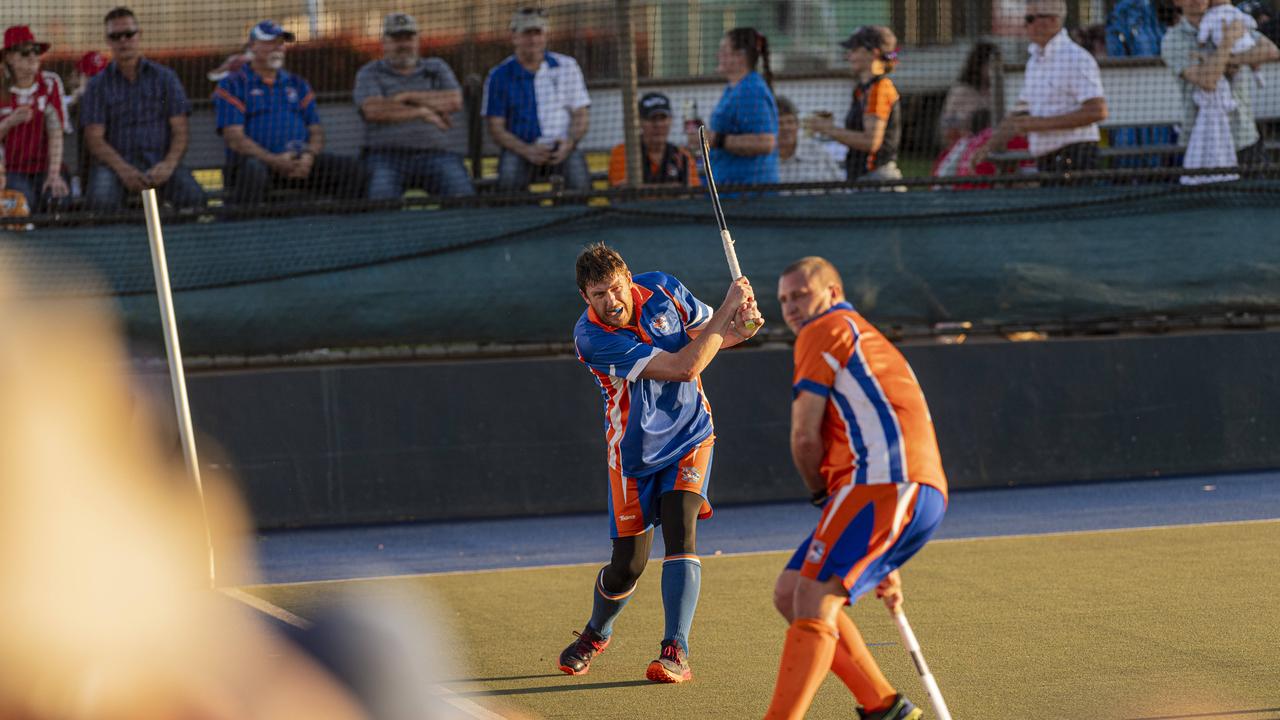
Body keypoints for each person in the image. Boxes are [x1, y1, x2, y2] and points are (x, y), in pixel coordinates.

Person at [559, 242, 763, 684]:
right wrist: (731, 307)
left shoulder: (664, 290)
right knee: (627, 565)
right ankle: (597, 631)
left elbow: (705, 335)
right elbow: (685, 367)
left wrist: (739, 328)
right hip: (633, 453)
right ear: (585, 298)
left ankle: (676, 650)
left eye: (615, 289)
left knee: (681, 526)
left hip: (691, 433)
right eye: (598, 295)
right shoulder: (591, 338)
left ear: (628, 278)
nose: (610, 302)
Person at [762, 256, 948, 720]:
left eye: (801, 294)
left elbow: (804, 436)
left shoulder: (823, 329)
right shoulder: (862, 335)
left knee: (814, 597)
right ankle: (884, 707)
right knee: (790, 592)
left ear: (833, 291)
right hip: (898, 487)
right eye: (783, 299)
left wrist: (824, 498)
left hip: (886, 482)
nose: (791, 307)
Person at [214, 20, 365, 205]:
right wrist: (274, 160)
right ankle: (250, 229)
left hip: (299, 162)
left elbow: (316, 131)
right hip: (256, 165)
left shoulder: (297, 83)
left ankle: (337, 226)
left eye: (281, 43)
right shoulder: (232, 84)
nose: (278, 48)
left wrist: (309, 156)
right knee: (254, 170)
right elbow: (234, 138)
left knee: (353, 170)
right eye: (270, 42)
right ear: (252, 46)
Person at [80, 7, 204, 212]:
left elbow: (181, 130)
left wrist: (168, 165)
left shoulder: (165, 77)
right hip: (115, 167)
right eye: (116, 36)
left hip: (160, 162)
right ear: (108, 41)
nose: (123, 41)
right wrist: (123, 169)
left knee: (194, 198)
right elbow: (94, 138)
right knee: (101, 201)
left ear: (140, 35)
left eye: (129, 34)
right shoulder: (97, 85)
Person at [972, 0, 1109, 175]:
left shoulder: (1076, 58)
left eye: (1030, 18)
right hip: (1049, 160)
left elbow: (1098, 111)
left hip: (1075, 157)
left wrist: (1038, 124)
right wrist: (987, 148)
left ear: (1052, 20)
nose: (1025, 24)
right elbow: (1020, 112)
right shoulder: (1035, 61)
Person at [354, 12, 474, 200]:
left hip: (437, 154)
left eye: (408, 38)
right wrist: (423, 111)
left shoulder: (436, 68)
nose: (403, 45)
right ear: (384, 42)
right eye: (396, 39)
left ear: (417, 40)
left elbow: (453, 101)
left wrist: (406, 96)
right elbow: (373, 110)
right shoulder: (370, 72)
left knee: (463, 196)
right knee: (380, 199)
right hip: (385, 157)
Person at [484, 7, 591, 193]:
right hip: (521, 150)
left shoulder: (567, 66)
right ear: (514, 36)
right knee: (508, 181)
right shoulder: (499, 75)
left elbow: (581, 114)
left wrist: (569, 143)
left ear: (545, 35)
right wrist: (526, 150)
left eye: (537, 33)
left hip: (562, 148)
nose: (533, 39)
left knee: (581, 183)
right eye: (527, 33)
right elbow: (495, 127)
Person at [1162, 0, 1279, 167]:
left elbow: (1271, 51)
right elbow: (1208, 82)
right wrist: (1227, 43)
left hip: (1243, 137)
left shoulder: (1229, 17)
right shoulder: (1172, 39)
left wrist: (1226, 60)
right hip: (1201, 141)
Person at [806, 26, 904, 184]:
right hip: (861, 178)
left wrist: (828, 129)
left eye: (854, 50)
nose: (849, 56)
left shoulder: (880, 89)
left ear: (874, 53)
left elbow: (871, 142)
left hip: (877, 181)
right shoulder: (862, 90)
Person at [693, 27, 778, 186]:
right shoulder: (735, 88)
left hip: (748, 193)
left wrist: (716, 139)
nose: (718, 55)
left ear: (740, 57)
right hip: (728, 189)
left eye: (724, 50)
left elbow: (765, 142)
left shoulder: (750, 90)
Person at [0, 26, 69, 212]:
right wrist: (9, 122)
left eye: (35, 51)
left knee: (57, 201)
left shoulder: (50, 83)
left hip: (47, 166)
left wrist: (54, 174)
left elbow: (56, 132)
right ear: (9, 58)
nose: (33, 57)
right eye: (24, 52)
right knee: (23, 206)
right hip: (12, 170)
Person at [607, 91, 700, 187]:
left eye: (662, 118)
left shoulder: (683, 157)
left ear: (671, 120)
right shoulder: (622, 153)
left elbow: (694, 194)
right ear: (639, 121)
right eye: (652, 118)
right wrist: (675, 189)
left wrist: (641, 188)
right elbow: (621, 192)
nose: (658, 124)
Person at [938, 41, 999, 149]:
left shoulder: (997, 91)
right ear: (980, 65)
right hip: (964, 147)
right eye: (990, 65)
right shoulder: (961, 91)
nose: (995, 70)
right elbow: (947, 126)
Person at [775, 96, 843, 184]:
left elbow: (840, 190)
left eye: (790, 122)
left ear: (797, 124)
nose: (786, 128)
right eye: (779, 123)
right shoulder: (763, 157)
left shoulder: (817, 153)